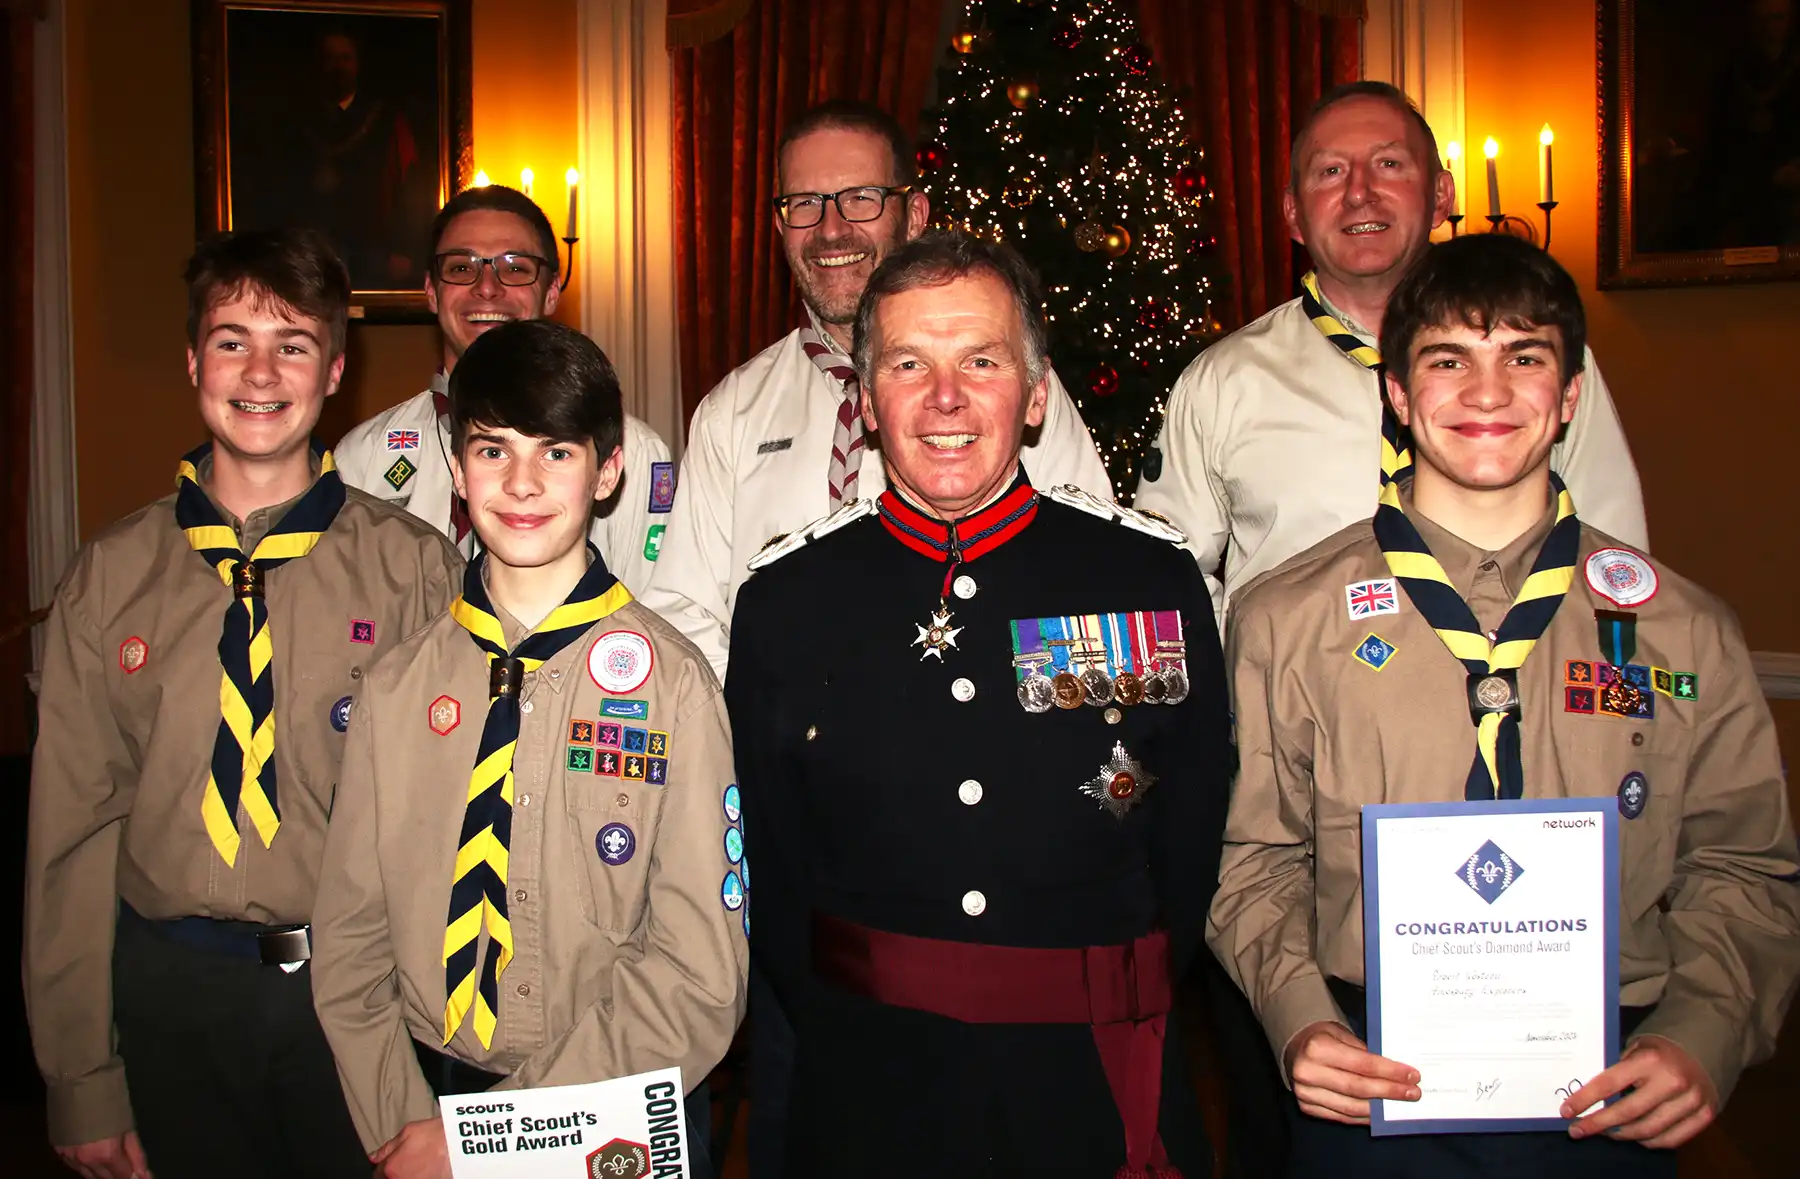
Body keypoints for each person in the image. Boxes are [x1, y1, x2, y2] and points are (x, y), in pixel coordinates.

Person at [1207, 232, 1800, 1178]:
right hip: (1363, 1075)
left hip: (1614, 1083)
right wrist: (1297, 1020)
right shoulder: (1284, 619)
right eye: (1449, 359)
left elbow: (1742, 863)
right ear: (1398, 395)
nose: (1487, 392)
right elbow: (1255, 857)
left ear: (1569, 396)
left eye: (1524, 357)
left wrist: (1705, 1031)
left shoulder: (1684, 628)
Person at [727, 231, 1232, 1177]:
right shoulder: (785, 602)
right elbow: (774, 871)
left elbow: (1190, 843)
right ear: (868, 402)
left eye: (982, 361)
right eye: (910, 364)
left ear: (1035, 395)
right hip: (871, 1093)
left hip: (1092, 1083)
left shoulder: (1147, 576)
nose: (945, 398)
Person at [24, 229, 462, 1179]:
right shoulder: (110, 577)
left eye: (293, 344)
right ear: (192, 359)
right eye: (232, 340)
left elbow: (449, 826)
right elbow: (69, 838)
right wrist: (81, 1077)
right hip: (169, 996)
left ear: (335, 370)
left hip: (353, 999)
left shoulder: (414, 570)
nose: (260, 372)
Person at [310, 319, 746, 1179]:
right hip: (420, 1106)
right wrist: (405, 1128)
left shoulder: (675, 688)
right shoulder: (397, 688)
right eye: (492, 449)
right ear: (457, 469)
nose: (521, 483)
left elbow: (700, 976)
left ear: (608, 470)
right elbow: (352, 941)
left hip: (614, 1106)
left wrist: (493, 1143)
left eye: (556, 453)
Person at [1136, 81, 1648, 633]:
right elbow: (1165, 572)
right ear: (1291, 213)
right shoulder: (1223, 382)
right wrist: (1241, 680)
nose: (1359, 193)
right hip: (1293, 707)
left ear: (1442, 195)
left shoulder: (1536, 367)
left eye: (1389, 164)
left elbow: (1612, 555)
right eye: (1330, 171)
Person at [644, 100, 1113, 683]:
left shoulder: (1004, 393)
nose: (831, 229)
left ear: (914, 215)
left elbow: (1086, 576)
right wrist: (766, 721)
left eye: (860, 198)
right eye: (804, 204)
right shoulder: (731, 413)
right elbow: (684, 615)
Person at [333, 183, 673, 595]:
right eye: (461, 267)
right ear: (430, 292)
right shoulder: (363, 455)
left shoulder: (633, 450)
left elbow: (657, 614)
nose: (487, 287)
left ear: (551, 291)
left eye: (515, 268)